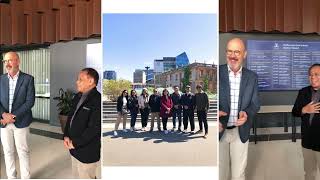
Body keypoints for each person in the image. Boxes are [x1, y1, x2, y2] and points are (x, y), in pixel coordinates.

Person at [219, 38, 260, 180]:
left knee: (238, 175)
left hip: (240, 132)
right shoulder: (216, 73)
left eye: (237, 52)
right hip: (219, 132)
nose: (233, 55)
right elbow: (204, 100)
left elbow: (255, 104)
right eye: (229, 51)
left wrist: (247, 114)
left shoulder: (252, 77)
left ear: (245, 54)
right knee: (220, 175)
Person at [0, 51, 35, 179]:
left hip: (21, 121)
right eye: (5, 61)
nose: (7, 63)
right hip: (4, 122)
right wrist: (4, 115)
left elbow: (30, 102)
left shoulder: (28, 79)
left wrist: (12, 116)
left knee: (23, 151)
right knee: (8, 152)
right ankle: (12, 177)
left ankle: (26, 177)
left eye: (9, 60)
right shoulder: (1, 79)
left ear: (18, 61)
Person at [63, 68, 101, 179]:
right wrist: (66, 135)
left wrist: (75, 143)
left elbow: (94, 128)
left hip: (87, 152)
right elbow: (70, 117)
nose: (77, 82)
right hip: (73, 149)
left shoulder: (97, 100)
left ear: (91, 81)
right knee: (76, 176)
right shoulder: (78, 96)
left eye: (80, 79)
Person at [292, 64, 320, 180]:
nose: (313, 77)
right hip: (307, 140)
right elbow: (295, 112)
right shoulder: (303, 92)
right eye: (310, 75)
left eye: (316, 74)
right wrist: (304, 109)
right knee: (309, 172)